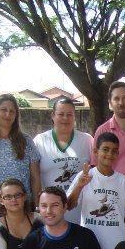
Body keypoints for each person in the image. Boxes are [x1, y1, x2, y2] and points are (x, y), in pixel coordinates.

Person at [0, 94, 41, 230]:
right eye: (4, 110)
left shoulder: (26, 141)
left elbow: (35, 176)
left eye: (12, 111)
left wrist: (37, 204)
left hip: (21, 203)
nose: (8, 114)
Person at [68, 133, 125, 249]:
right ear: (95, 151)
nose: (110, 154)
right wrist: (79, 186)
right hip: (91, 245)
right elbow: (69, 205)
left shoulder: (123, 181)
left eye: (114, 151)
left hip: (116, 248)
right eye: (105, 149)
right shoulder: (85, 176)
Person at [33, 96, 94, 224]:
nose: (65, 118)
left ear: (74, 116)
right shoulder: (40, 141)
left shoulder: (87, 140)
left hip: (79, 210)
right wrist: (37, 205)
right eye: (61, 114)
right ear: (53, 116)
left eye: (69, 114)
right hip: (50, 211)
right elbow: (34, 176)